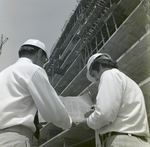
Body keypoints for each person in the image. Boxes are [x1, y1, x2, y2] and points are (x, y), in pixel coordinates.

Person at [0, 39, 72, 147]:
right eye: (44, 60)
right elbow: (52, 109)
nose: (43, 64)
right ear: (39, 54)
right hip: (15, 138)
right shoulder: (34, 70)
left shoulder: (3, 73)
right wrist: (68, 122)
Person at [80, 53, 150, 147]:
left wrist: (88, 122)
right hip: (138, 141)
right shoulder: (129, 82)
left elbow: (104, 115)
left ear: (99, 66)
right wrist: (97, 108)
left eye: (94, 74)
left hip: (122, 141)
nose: (96, 79)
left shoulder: (108, 74)